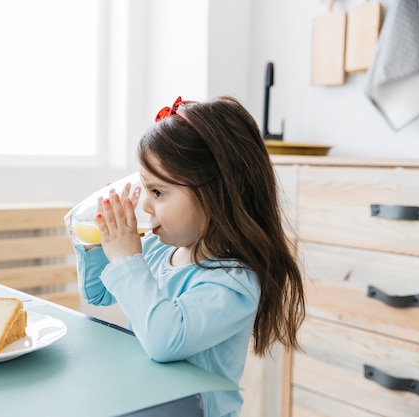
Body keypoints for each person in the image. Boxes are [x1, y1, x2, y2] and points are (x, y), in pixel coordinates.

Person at [72, 96, 305, 417]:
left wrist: (127, 261)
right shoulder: (157, 250)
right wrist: (97, 239)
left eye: (158, 192)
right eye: (146, 190)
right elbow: (97, 293)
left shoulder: (233, 281)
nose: (147, 206)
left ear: (215, 194)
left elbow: (165, 340)